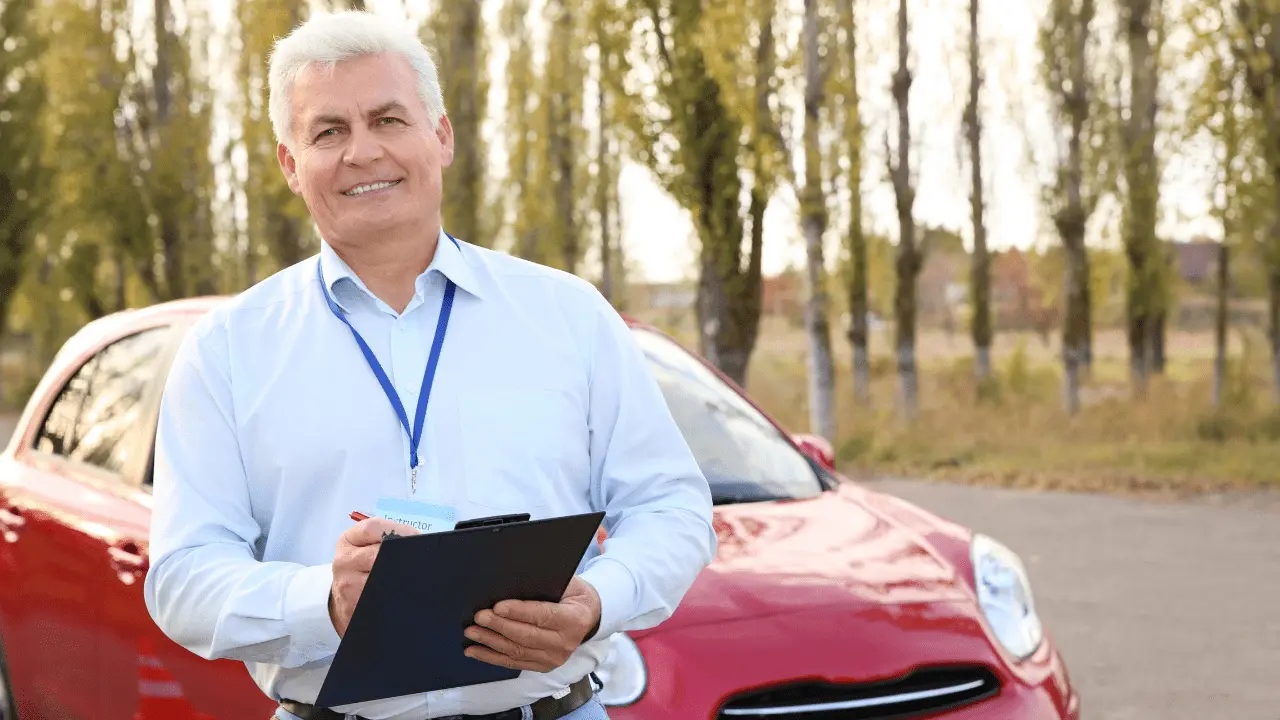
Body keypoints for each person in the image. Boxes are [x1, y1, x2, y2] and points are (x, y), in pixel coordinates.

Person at [142, 9, 716, 720]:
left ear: (440, 136)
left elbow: (672, 508)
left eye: (388, 120)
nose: (362, 152)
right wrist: (322, 600)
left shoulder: (569, 315)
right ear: (291, 165)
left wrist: (600, 600)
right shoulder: (226, 349)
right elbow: (180, 578)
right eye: (328, 132)